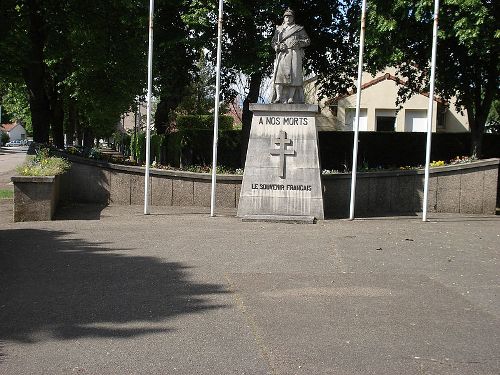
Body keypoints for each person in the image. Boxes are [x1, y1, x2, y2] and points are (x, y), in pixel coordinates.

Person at [271, 9, 310, 104]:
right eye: (286, 16)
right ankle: (279, 97)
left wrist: (299, 43)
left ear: (293, 18)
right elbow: (273, 42)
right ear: (284, 18)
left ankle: (291, 98)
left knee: (294, 76)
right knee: (279, 77)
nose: (288, 18)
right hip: (283, 54)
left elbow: (307, 41)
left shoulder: (299, 29)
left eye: (290, 16)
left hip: (294, 54)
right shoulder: (279, 29)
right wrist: (278, 46)